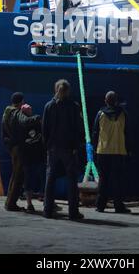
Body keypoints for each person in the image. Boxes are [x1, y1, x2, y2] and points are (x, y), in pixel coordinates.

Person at [42, 79, 84, 220]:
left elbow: (44, 128)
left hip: (53, 148)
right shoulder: (73, 106)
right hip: (68, 148)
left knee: (50, 178)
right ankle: (73, 212)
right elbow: (78, 128)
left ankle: (47, 210)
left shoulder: (49, 106)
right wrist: (76, 146)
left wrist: (47, 146)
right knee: (71, 180)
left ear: (56, 89)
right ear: (68, 91)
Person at [92, 91, 131, 214]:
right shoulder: (123, 114)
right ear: (116, 100)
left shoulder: (100, 114)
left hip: (103, 151)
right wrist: (129, 149)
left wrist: (94, 147)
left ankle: (100, 205)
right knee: (117, 180)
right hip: (119, 151)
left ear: (106, 101)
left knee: (103, 179)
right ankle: (118, 206)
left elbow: (95, 132)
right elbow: (127, 133)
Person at [2, 92, 39, 212]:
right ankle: (11, 204)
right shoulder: (17, 113)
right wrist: (37, 118)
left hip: (11, 147)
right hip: (19, 147)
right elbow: (25, 121)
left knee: (14, 175)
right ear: (21, 101)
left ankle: (9, 201)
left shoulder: (6, 113)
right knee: (18, 176)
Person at [19, 104, 45, 214]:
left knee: (28, 180)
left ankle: (29, 204)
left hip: (26, 156)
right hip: (37, 155)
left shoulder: (19, 124)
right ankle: (45, 200)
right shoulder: (37, 121)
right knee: (43, 177)